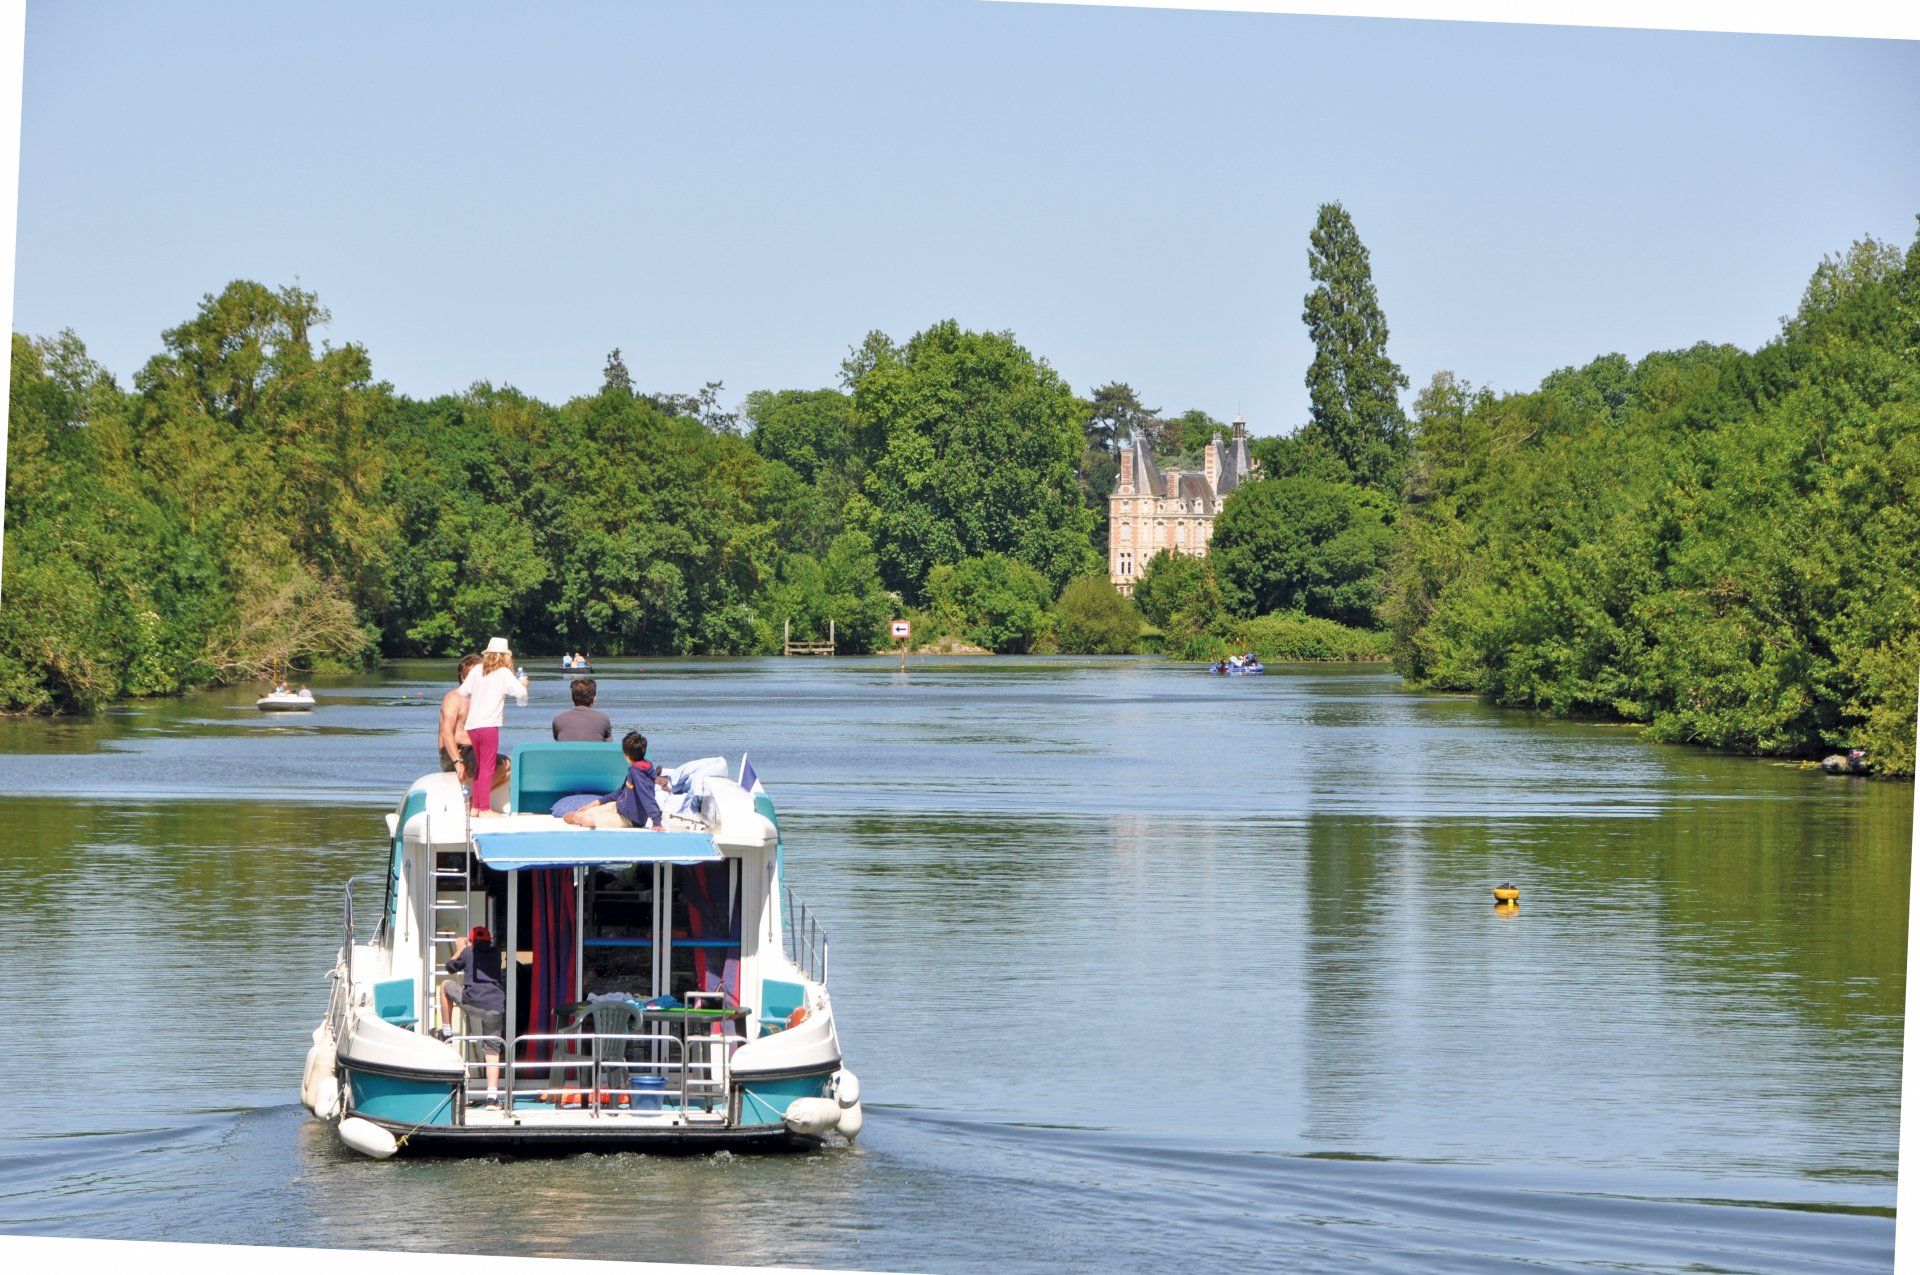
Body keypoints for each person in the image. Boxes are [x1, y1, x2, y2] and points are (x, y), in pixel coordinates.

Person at [457, 637, 529, 814]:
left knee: (482, 767)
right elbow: (520, 695)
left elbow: (463, 691)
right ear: (505, 656)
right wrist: (523, 684)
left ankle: (475, 808)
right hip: (489, 726)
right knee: (488, 768)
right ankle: (485, 809)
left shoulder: (477, 671)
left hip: (473, 726)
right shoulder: (503, 673)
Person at [437, 925, 505, 1104]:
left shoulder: (467, 952)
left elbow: (449, 967)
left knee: (445, 985)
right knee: (492, 1051)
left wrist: (460, 949)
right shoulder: (497, 953)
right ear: (490, 941)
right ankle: (492, 1098)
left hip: (472, 1003)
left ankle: (447, 1031)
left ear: (471, 941)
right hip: (495, 1008)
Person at [560, 731, 664, 830]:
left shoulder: (638, 773)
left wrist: (656, 821)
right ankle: (576, 817)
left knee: (585, 819)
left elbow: (647, 797)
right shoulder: (636, 769)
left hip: (631, 819)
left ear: (626, 756)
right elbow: (621, 792)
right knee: (585, 811)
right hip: (620, 806)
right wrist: (597, 802)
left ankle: (575, 818)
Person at [439, 653, 482, 783]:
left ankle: (477, 796)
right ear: (463, 677)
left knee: (509, 765)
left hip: (473, 752)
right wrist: (458, 762)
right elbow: (447, 733)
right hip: (454, 755)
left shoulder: (480, 699)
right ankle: (476, 798)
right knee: (505, 765)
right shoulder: (454, 698)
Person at [552, 678, 613, 742]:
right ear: (594, 699)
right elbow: (609, 745)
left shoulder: (558, 720)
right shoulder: (603, 719)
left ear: (572, 698)